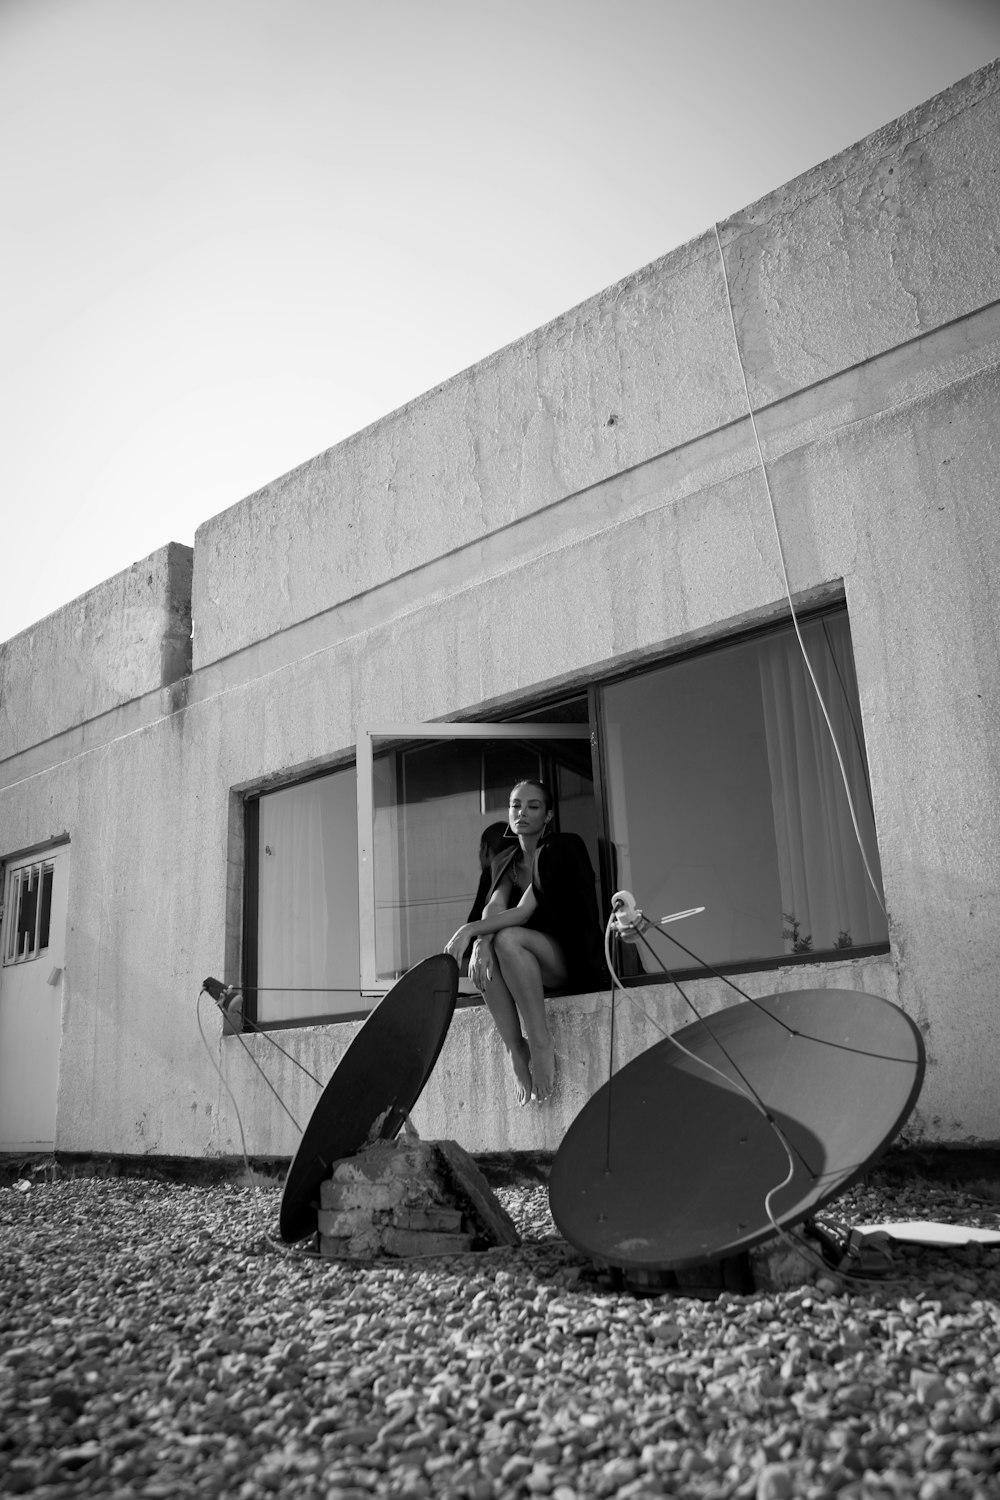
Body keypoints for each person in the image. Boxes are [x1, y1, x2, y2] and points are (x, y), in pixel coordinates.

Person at [444, 779, 607, 1105]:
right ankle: (515, 1048)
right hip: (526, 966)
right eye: (516, 805)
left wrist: (468, 931)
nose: (523, 812)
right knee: (488, 948)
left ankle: (540, 1043)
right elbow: (496, 906)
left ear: (548, 816)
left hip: (571, 959)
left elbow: (522, 912)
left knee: (506, 939)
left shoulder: (562, 847)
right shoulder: (505, 860)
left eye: (533, 806)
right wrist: (480, 943)